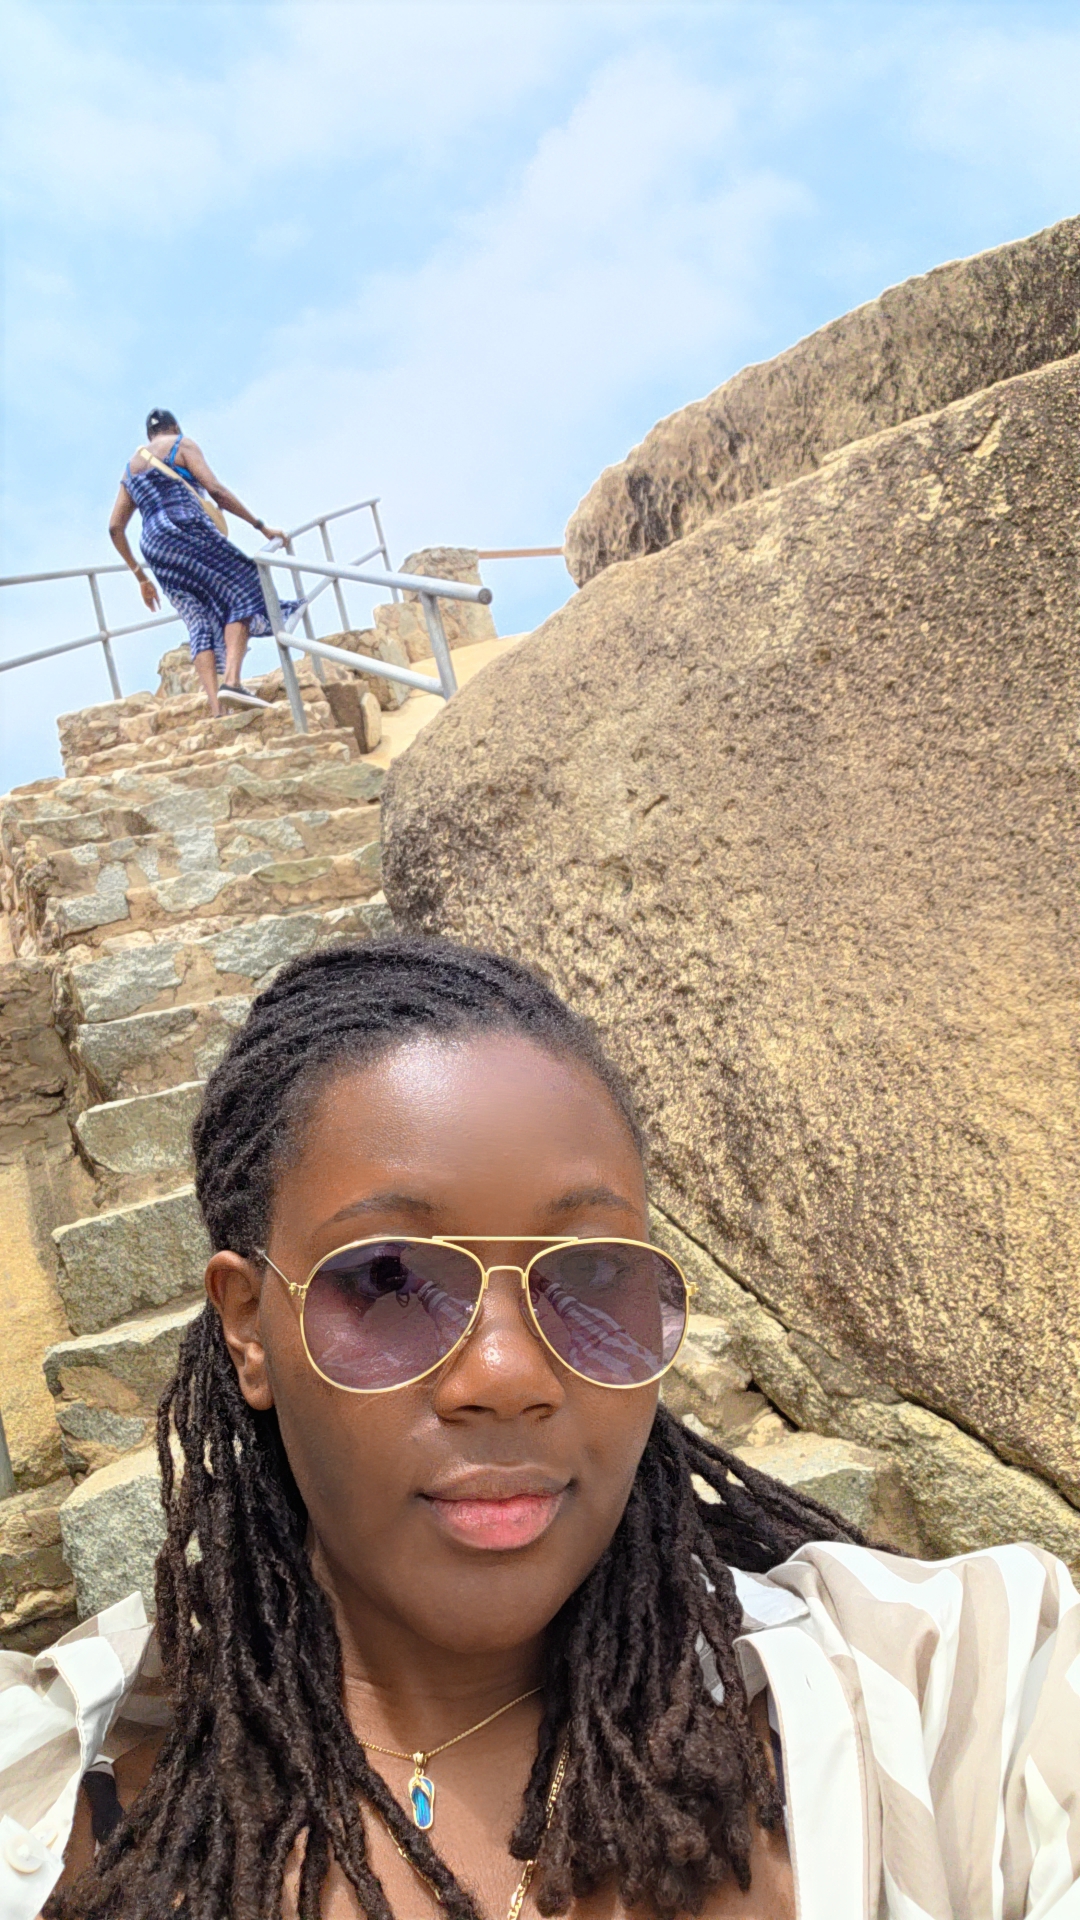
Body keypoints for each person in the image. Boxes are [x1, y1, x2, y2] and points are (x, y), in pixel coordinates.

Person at [7, 939, 1077, 1920]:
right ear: (249, 1328)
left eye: (594, 1273)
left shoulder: (965, 1696)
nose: (509, 1376)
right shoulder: (50, 1791)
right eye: (387, 1279)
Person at [107, 408, 297, 716]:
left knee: (197, 617)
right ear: (175, 427)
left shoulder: (130, 468)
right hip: (187, 527)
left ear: (148, 437)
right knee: (245, 585)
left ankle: (216, 709)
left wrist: (141, 577)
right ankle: (232, 682)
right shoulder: (182, 444)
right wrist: (261, 526)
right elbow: (217, 492)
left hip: (155, 547)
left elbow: (115, 528)